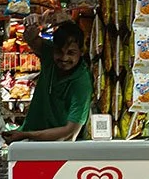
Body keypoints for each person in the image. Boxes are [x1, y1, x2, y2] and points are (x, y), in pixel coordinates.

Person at [6, 14, 93, 143]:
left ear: (81, 52)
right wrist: (35, 23)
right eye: (59, 51)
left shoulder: (81, 82)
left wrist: (27, 135)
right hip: (30, 140)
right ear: (53, 49)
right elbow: (31, 39)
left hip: (57, 149)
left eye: (71, 53)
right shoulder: (49, 56)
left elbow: (70, 132)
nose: (64, 58)